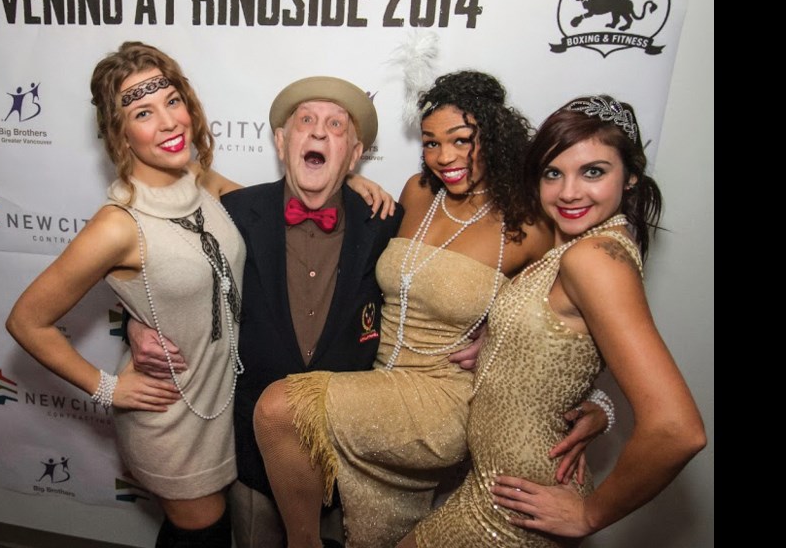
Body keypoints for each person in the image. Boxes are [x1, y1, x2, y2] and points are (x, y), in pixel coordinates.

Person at [8, 45, 393, 548]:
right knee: (203, 535)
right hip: (171, 415)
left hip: (222, 409)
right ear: (120, 132)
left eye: (173, 101)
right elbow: (26, 321)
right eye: (143, 113)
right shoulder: (115, 226)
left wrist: (348, 179)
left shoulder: (198, 181)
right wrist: (108, 388)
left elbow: (290, 197)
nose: (168, 122)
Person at [253, 71, 610, 548]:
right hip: (380, 381)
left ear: (494, 135)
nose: (446, 157)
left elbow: (577, 325)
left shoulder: (531, 222)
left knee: (280, 410)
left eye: (462, 140)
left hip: (444, 399)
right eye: (431, 143)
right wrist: (350, 180)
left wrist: (601, 407)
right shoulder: (419, 192)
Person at [405, 95, 707, 547]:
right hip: (495, 485)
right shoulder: (587, 244)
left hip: (512, 508)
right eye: (553, 173)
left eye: (593, 171)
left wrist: (590, 514)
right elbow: (575, 350)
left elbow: (677, 430)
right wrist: (600, 409)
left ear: (631, 178)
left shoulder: (595, 259)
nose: (569, 192)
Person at [128, 75, 404, 548]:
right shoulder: (231, 212)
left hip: (346, 459)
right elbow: (164, 280)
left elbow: (440, 286)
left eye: (336, 125)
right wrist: (136, 327)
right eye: (305, 122)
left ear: (354, 154)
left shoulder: (386, 221)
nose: (318, 132)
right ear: (281, 142)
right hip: (253, 454)